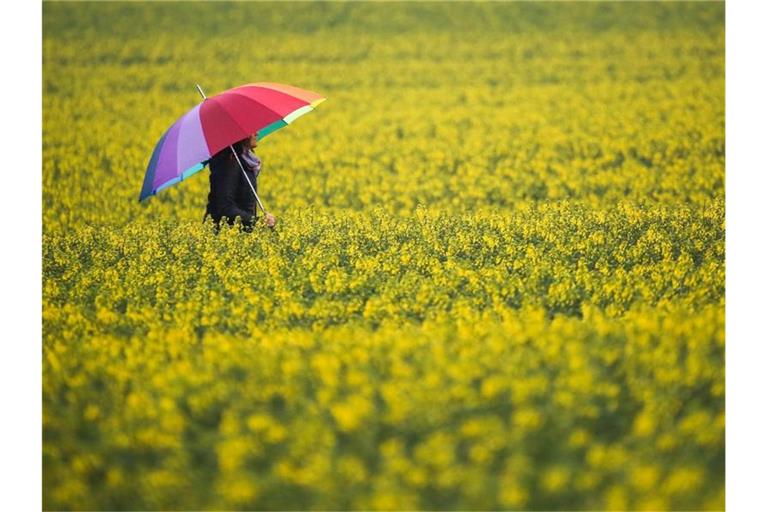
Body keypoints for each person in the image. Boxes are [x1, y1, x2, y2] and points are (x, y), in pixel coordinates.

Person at [203, 133, 276, 233]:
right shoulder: (228, 163)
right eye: (252, 131)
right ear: (241, 136)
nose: (257, 133)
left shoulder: (242, 159)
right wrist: (257, 222)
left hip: (238, 233)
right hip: (225, 235)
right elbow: (225, 208)